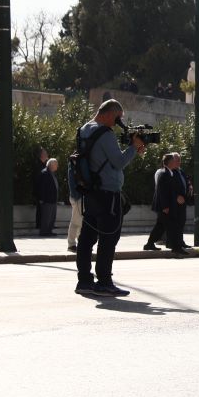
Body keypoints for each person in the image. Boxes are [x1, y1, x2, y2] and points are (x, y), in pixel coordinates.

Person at [74, 99, 146, 296]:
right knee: (109, 238)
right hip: (108, 194)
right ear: (108, 114)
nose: (118, 123)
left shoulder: (84, 129)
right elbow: (119, 162)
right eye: (117, 118)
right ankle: (104, 282)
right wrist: (134, 147)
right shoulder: (105, 133)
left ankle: (84, 281)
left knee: (87, 238)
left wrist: (131, 146)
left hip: (91, 192)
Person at [144, 153, 177, 251]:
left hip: (164, 205)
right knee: (164, 225)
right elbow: (162, 192)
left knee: (161, 226)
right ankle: (174, 245)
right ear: (170, 162)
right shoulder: (164, 173)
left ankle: (150, 243)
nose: (175, 162)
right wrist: (165, 206)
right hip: (163, 206)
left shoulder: (168, 172)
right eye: (174, 161)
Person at [35, 158, 60, 236]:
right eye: (56, 164)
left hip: (53, 199)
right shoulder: (45, 173)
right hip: (47, 199)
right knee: (46, 217)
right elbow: (42, 187)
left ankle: (49, 231)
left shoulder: (52, 173)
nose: (57, 166)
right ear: (51, 165)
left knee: (51, 217)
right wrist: (41, 198)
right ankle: (44, 232)